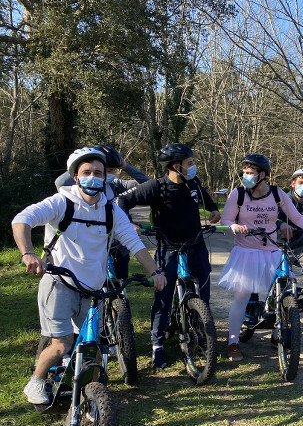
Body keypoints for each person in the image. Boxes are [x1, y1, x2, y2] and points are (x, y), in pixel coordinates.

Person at [12, 148, 167, 405]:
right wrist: (28, 253)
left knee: (93, 348)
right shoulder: (62, 202)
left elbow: (133, 241)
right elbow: (22, 219)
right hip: (59, 284)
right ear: (76, 177)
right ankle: (36, 382)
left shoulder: (110, 211)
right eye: (87, 173)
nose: (93, 177)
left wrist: (155, 271)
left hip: (93, 290)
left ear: (105, 177)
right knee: (61, 344)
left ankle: (88, 396)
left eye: (98, 173)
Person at [117, 143, 220, 369]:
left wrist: (213, 209)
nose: (194, 167)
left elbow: (204, 196)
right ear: (176, 166)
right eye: (190, 163)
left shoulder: (193, 183)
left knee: (203, 293)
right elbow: (123, 201)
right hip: (168, 249)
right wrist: (129, 223)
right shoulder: (156, 187)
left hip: (196, 245)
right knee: (163, 299)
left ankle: (201, 331)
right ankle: (157, 345)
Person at [218, 155, 303, 362]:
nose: (246, 176)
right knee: (242, 296)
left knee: (285, 290)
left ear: (262, 175)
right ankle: (232, 343)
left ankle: (277, 333)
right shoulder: (239, 194)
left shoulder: (277, 194)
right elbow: (226, 218)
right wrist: (234, 226)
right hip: (246, 252)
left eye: (250, 173)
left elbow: (296, 217)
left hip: (271, 251)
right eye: (245, 172)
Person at [55, 145, 149, 279]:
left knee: (120, 285)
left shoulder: (117, 185)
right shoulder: (83, 189)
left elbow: (147, 185)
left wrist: (125, 166)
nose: (110, 174)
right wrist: (85, 158)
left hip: (119, 246)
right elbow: (60, 182)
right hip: (93, 246)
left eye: (112, 170)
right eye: (107, 169)